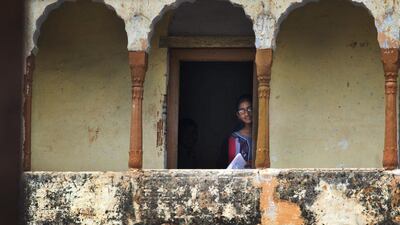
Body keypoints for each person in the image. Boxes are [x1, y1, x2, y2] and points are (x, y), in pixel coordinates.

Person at [228, 95, 253, 168]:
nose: (247, 114)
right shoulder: (235, 138)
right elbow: (232, 166)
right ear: (238, 115)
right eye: (242, 111)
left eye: (250, 109)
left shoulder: (262, 134)